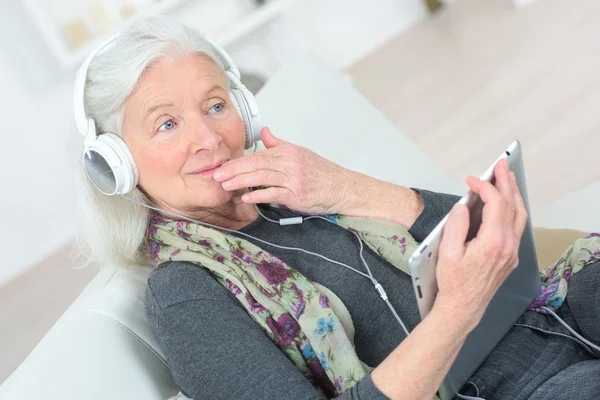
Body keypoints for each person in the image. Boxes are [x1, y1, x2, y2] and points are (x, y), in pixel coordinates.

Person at [74, 17, 600, 400]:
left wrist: (349, 188)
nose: (209, 137)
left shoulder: (298, 191)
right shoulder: (185, 292)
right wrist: (457, 312)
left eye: (216, 106)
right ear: (116, 163)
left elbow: (503, 238)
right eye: (167, 124)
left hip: (558, 317)